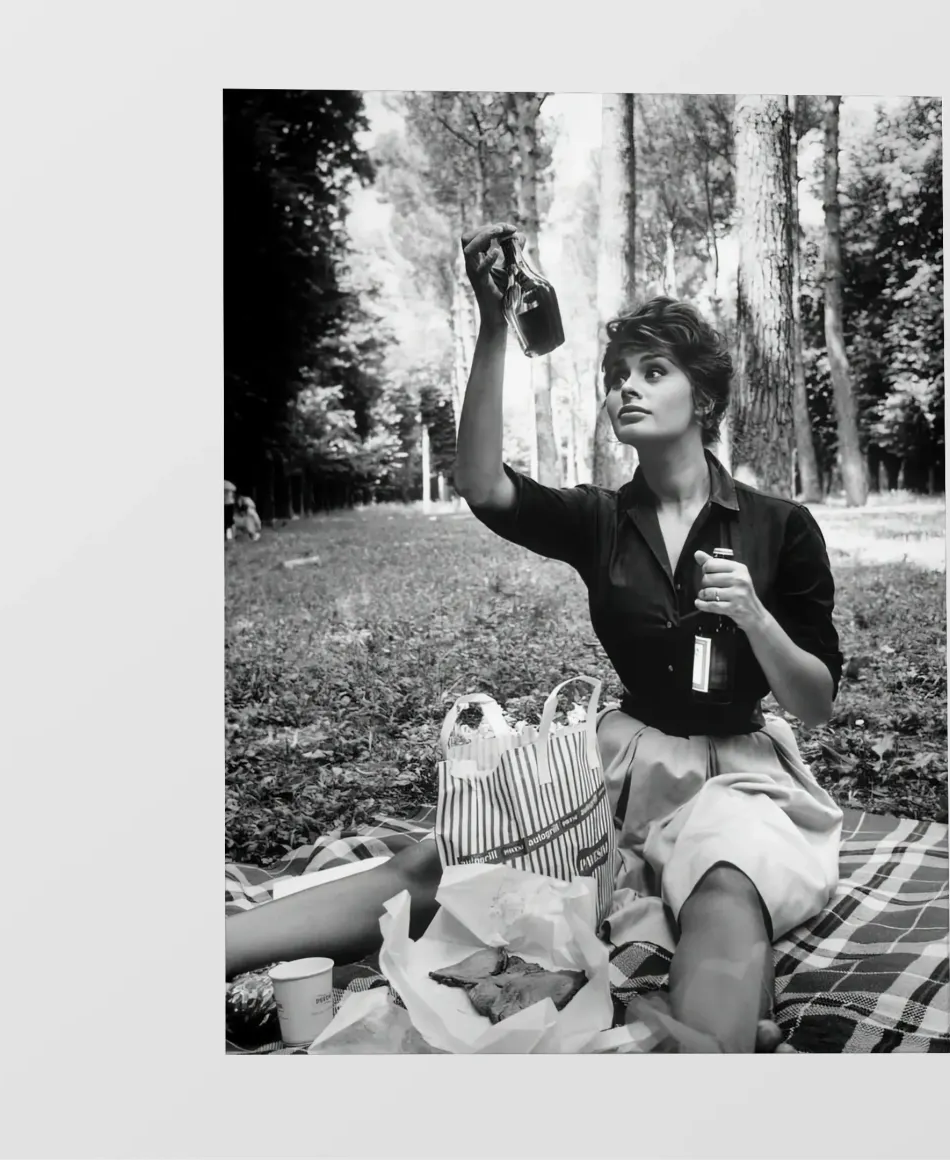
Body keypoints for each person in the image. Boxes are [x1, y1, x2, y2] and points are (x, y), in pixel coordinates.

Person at [225, 222, 845, 1053]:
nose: (626, 388)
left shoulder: (781, 527)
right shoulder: (599, 520)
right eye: (616, 376)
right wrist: (492, 326)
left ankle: (702, 1054)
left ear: (703, 399)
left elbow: (817, 701)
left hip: (735, 770)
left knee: (726, 880)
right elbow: (483, 484)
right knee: (444, 861)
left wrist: (756, 618)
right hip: (618, 763)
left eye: (652, 371)